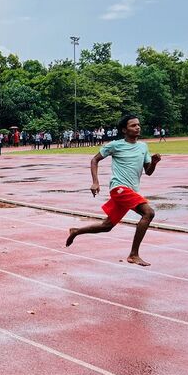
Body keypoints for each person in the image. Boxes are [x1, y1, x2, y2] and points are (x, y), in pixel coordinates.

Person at [65, 114, 161, 266]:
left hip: (132, 191)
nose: (137, 127)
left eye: (138, 125)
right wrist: (95, 182)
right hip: (119, 188)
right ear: (124, 130)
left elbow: (148, 171)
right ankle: (134, 254)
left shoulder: (143, 147)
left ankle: (76, 231)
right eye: (133, 125)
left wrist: (154, 162)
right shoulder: (115, 145)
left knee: (107, 226)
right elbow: (94, 159)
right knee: (149, 213)